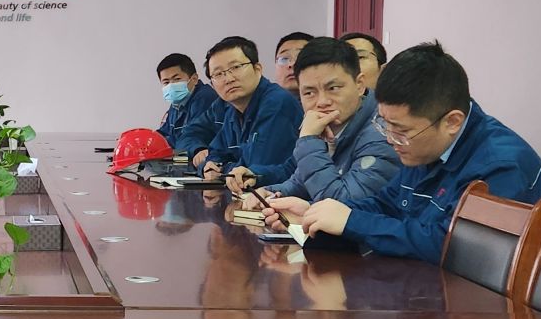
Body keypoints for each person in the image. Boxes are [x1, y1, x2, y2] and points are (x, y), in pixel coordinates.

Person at [282, 41, 541, 263]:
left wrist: (351, 221)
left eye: (400, 130)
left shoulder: (501, 166)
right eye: (384, 124)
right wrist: (320, 214)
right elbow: (388, 203)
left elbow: (453, 247)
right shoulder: (425, 145)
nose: (390, 139)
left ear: (452, 122)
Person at [228, 37, 398, 205]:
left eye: (333, 88)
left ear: (359, 85)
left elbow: (342, 205)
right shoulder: (328, 125)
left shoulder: (383, 133)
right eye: (309, 93)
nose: (322, 102)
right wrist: (272, 192)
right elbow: (301, 182)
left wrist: (308, 141)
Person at [198, 36, 303, 180]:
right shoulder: (233, 110)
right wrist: (209, 166)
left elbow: (255, 168)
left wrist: (222, 169)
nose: (228, 79)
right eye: (218, 74)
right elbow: (216, 154)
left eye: (236, 67)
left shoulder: (276, 103)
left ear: (257, 69)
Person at [154, 53, 224, 155]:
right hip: (185, 155)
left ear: (194, 79)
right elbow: (165, 133)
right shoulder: (177, 103)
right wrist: (148, 140)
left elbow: (191, 136)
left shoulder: (205, 98)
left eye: (177, 79)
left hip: (203, 156)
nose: (171, 86)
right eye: (166, 82)